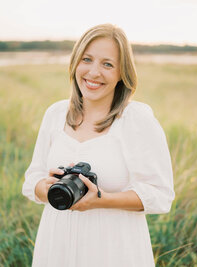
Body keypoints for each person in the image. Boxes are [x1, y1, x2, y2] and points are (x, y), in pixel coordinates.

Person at [22, 23, 175, 267]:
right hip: (56, 245)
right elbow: (32, 180)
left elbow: (160, 195)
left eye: (107, 64)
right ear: (75, 63)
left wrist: (102, 199)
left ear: (121, 73)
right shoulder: (55, 113)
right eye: (87, 59)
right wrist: (46, 186)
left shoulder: (137, 119)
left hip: (113, 249)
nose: (94, 72)